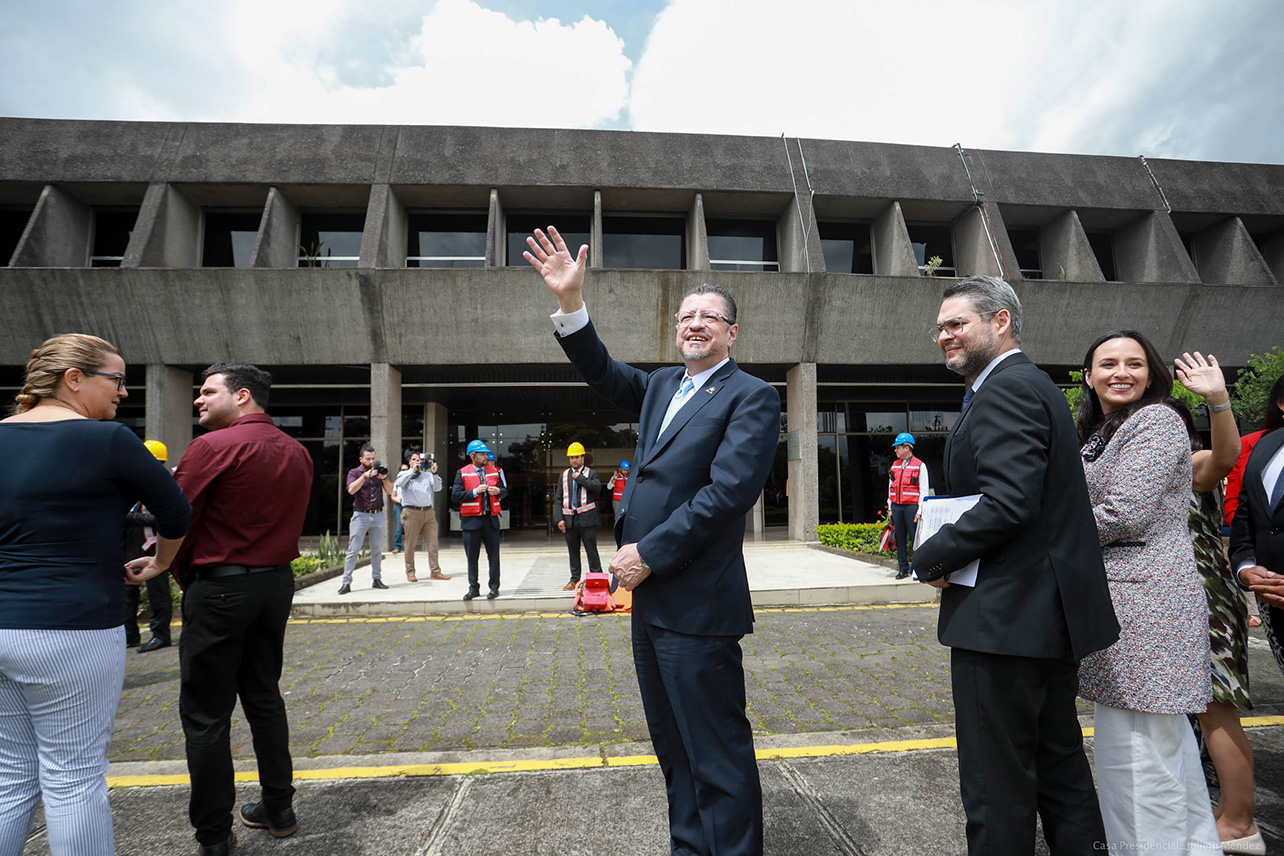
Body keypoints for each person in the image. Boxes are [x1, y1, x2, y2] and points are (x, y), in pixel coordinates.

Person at [526, 226, 781, 856]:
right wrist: (571, 304)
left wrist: (648, 552)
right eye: (686, 316)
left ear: (731, 333)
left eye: (709, 317)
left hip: (697, 600)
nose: (695, 324)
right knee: (672, 744)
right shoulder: (664, 386)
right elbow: (604, 373)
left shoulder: (751, 397)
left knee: (715, 747)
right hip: (650, 602)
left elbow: (726, 495)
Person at [910, 276, 1119, 855]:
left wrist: (930, 556)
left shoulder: (1005, 388)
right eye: (941, 327)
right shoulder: (1028, 385)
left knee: (995, 785)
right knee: (1059, 770)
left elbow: (1010, 500)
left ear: (1000, 320)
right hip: (1040, 619)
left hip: (1003, 621)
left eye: (956, 324)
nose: (943, 336)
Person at [0, 334, 190, 856]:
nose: (124, 392)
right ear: (75, 379)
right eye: (117, 379)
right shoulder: (106, 440)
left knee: (10, 776)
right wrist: (161, 563)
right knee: (73, 778)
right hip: (73, 624)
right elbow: (175, 512)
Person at [128, 363, 312, 855]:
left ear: (244, 396)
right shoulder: (296, 451)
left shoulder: (212, 447)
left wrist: (161, 564)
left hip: (221, 589)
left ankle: (213, 834)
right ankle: (279, 807)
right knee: (264, 696)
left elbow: (175, 515)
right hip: (274, 585)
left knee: (207, 716)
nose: (198, 400)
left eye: (208, 391)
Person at [1073, 331, 1219, 851]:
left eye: (1134, 364)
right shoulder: (1101, 431)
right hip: (1129, 608)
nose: (1121, 373)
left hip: (1145, 607)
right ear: (1088, 377)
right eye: (1107, 363)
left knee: (1138, 760)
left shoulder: (1156, 421)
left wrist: (1035, 534)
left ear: (1152, 375)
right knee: (1161, 749)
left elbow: (1122, 513)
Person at [1169, 352, 1262, 854]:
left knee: (1215, 709)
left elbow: (1225, 457)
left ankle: (1240, 820)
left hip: (1205, 601)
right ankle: (1226, 813)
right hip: (1170, 605)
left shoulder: (1190, 466)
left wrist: (1217, 401)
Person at [122, 438, 177, 652]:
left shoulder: (164, 484)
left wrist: (132, 517)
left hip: (152, 545)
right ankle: (130, 635)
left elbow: (162, 519)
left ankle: (161, 635)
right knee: (127, 592)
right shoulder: (134, 485)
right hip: (133, 544)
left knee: (157, 593)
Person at [452, 440, 507, 600]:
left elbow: (504, 491)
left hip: (490, 519)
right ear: (472, 456)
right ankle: (473, 588)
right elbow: (455, 495)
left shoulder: (494, 471)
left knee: (494, 556)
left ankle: (494, 588)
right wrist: (474, 492)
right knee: (472, 556)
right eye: (482, 454)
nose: (486, 456)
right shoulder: (462, 472)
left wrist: (498, 491)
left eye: (486, 453)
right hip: (471, 521)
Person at [338, 444, 395, 595]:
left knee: (377, 549)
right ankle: (346, 582)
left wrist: (384, 478)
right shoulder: (354, 472)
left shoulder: (379, 472)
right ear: (361, 459)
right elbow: (351, 490)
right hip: (360, 515)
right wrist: (364, 476)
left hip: (378, 515)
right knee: (353, 550)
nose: (371, 461)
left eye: (373, 459)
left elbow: (391, 492)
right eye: (368, 459)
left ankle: (377, 579)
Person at [554, 441, 603, 591]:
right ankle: (574, 580)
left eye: (576, 457)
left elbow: (597, 488)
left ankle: (597, 578)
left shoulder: (591, 473)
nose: (574, 460)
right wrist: (559, 519)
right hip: (570, 520)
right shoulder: (564, 475)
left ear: (583, 458)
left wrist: (580, 478)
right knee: (573, 552)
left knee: (591, 550)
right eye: (571, 457)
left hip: (587, 519)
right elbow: (558, 498)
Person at [394, 452, 449, 583]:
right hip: (411, 512)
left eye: (419, 460)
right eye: (414, 460)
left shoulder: (428, 475)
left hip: (428, 512)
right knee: (410, 544)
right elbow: (399, 484)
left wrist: (435, 473)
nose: (417, 462)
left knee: (433, 543)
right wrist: (411, 471)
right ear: (410, 462)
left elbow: (438, 488)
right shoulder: (404, 474)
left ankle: (435, 571)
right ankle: (410, 572)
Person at [886, 432, 928, 579]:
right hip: (897, 506)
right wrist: (890, 507)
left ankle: (917, 570)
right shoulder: (895, 465)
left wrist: (920, 510)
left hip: (912, 508)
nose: (895, 450)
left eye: (897, 447)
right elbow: (891, 486)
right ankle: (903, 568)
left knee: (915, 540)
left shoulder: (920, 466)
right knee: (900, 538)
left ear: (907, 448)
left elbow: (924, 490)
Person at [391, 461, 409, 554]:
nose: (404, 471)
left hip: (410, 506)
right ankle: (397, 546)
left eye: (406, 470)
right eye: (402, 470)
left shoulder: (411, 481)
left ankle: (409, 547)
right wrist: (401, 501)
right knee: (398, 527)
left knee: (410, 528)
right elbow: (393, 496)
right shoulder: (397, 483)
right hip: (399, 506)